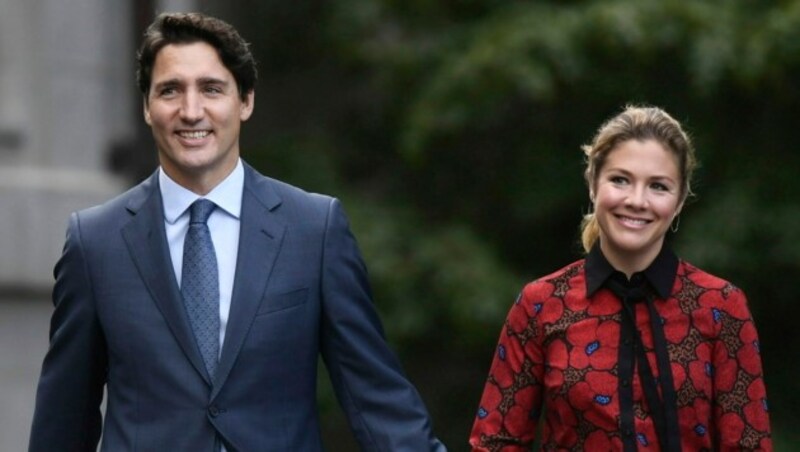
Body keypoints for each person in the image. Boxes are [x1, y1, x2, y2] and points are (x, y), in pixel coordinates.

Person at [29, 12, 445, 452]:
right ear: (147, 107)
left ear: (244, 101)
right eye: (170, 90)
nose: (191, 111)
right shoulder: (95, 242)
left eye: (211, 89)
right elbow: (64, 420)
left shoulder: (314, 230)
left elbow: (376, 399)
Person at [469, 106, 771, 451]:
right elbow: (495, 442)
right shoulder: (541, 305)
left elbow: (749, 446)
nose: (637, 200)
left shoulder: (722, 307)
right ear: (593, 184)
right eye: (620, 180)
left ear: (680, 200)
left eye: (658, 186)